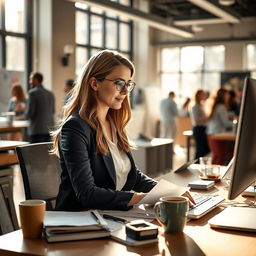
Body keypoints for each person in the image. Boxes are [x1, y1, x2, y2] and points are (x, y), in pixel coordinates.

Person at [51, 50, 193, 211]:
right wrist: (147, 198)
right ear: (94, 83)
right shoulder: (75, 128)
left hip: (110, 215)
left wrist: (171, 192)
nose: (125, 92)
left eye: (128, 84)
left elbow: (133, 177)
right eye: (119, 83)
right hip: (80, 221)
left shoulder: (113, 123)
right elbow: (87, 194)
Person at [26, 72, 55, 143]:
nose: (30, 82)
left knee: (35, 153)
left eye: (31, 79)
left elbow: (31, 113)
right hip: (49, 129)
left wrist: (24, 114)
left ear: (36, 80)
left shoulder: (32, 93)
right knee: (45, 153)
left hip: (37, 130)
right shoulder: (50, 93)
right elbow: (53, 111)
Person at [206, 88, 233, 165]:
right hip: (217, 134)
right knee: (221, 157)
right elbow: (226, 123)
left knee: (217, 156)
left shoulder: (216, 105)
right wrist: (237, 123)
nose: (229, 96)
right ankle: (215, 175)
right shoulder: (221, 107)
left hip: (212, 133)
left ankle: (212, 174)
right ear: (223, 95)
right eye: (227, 94)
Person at [191, 90, 210, 160]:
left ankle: (201, 164)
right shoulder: (195, 106)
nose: (204, 96)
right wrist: (207, 117)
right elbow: (196, 120)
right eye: (203, 94)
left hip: (203, 128)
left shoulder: (202, 105)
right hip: (198, 129)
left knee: (205, 149)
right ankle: (196, 164)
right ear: (198, 96)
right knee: (200, 149)